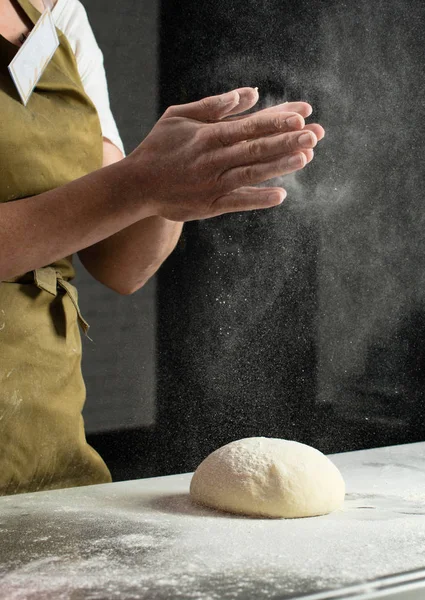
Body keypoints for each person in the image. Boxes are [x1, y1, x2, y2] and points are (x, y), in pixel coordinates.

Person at [0, 0, 324, 495]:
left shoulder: (58, 12)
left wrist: (173, 189)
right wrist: (139, 185)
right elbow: (121, 192)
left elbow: (119, 265)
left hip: (43, 446)